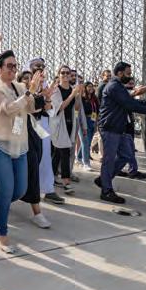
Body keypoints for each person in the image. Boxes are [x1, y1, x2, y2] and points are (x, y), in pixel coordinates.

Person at [0, 50, 36, 253]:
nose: (13, 69)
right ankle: (2, 234)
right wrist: (28, 94)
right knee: (5, 190)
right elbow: (8, 109)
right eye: (9, 66)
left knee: (20, 190)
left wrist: (40, 96)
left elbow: (30, 109)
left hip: (18, 144)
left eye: (15, 65)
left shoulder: (20, 86)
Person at [95, 62, 146, 204]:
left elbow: (130, 100)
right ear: (120, 73)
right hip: (110, 128)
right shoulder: (114, 86)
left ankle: (104, 179)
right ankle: (106, 191)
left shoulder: (118, 86)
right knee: (109, 160)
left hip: (118, 127)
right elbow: (129, 104)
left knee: (126, 155)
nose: (130, 77)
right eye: (128, 73)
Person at [19, 65, 56, 228]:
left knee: (33, 168)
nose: (29, 81)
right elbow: (22, 112)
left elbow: (47, 110)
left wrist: (47, 97)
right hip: (21, 137)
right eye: (25, 78)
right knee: (30, 170)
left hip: (35, 135)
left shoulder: (36, 96)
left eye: (30, 78)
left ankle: (2, 200)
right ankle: (37, 212)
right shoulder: (18, 96)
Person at [28, 58, 65, 205]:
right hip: (27, 125)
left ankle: (48, 190)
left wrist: (47, 97)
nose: (41, 70)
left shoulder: (46, 87)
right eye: (37, 67)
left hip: (42, 125)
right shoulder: (25, 86)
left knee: (44, 158)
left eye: (42, 68)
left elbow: (50, 111)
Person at [49, 65, 81, 194]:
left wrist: (78, 96)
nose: (66, 75)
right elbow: (60, 107)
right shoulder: (56, 90)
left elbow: (77, 108)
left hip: (70, 124)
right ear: (59, 74)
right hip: (58, 125)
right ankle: (66, 182)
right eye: (63, 72)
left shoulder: (73, 89)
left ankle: (51, 177)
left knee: (58, 152)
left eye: (68, 73)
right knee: (65, 152)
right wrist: (72, 95)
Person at [115, 78, 146, 179]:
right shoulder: (122, 93)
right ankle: (130, 170)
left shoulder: (124, 93)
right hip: (122, 126)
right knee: (127, 150)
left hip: (127, 124)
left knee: (128, 149)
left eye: (132, 83)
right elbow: (135, 101)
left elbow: (137, 102)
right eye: (129, 83)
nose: (131, 85)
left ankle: (129, 170)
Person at [77, 81, 98, 169]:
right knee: (85, 142)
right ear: (85, 88)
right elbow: (79, 111)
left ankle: (79, 157)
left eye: (92, 86)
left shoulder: (94, 98)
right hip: (83, 121)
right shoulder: (82, 98)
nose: (91, 88)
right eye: (89, 86)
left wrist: (96, 123)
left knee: (87, 142)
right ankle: (86, 163)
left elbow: (97, 111)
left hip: (92, 121)